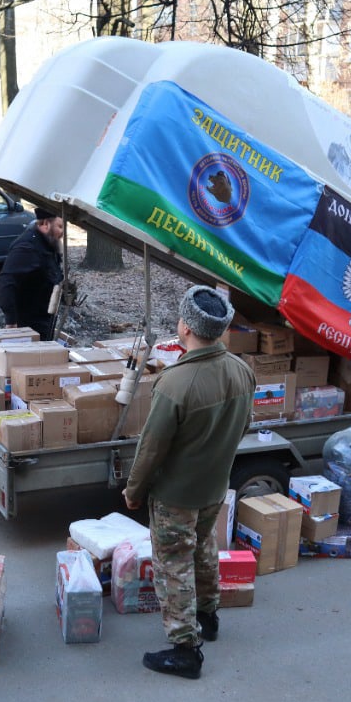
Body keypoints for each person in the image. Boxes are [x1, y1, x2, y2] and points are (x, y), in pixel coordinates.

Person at [121, 286, 255, 679]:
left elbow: (150, 450)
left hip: (175, 494)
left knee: (173, 564)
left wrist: (134, 491)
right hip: (215, 485)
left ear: (185, 327)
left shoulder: (175, 384)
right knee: (204, 550)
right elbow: (244, 425)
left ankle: (184, 648)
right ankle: (208, 616)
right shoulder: (241, 370)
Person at [0, 207, 65, 340]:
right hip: (28, 325)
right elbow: (6, 283)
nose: (62, 233)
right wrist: (11, 322)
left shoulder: (48, 244)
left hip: (44, 319)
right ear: (45, 224)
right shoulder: (27, 247)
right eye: (60, 226)